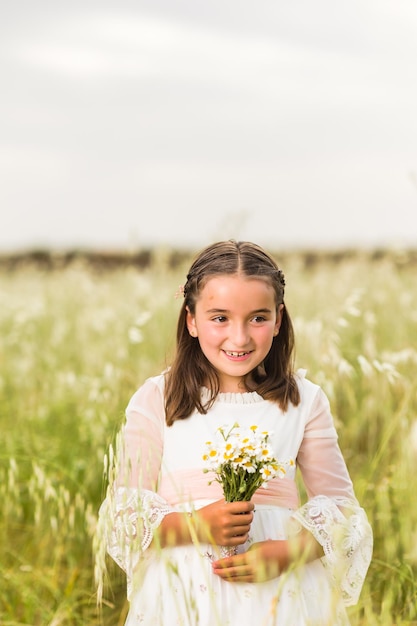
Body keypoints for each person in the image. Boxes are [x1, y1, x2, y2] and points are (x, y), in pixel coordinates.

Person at [97, 240, 373, 626]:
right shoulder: (157, 398)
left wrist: (288, 554)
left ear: (279, 319)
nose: (240, 338)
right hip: (185, 594)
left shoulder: (303, 401)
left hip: (281, 592)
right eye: (220, 318)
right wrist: (197, 525)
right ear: (191, 319)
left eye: (257, 318)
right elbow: (124, 517)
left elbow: (344, 513)